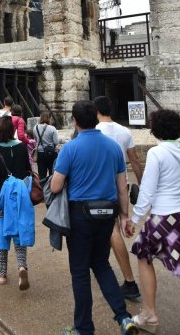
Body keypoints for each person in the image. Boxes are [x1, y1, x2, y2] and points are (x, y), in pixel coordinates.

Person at [51, 100, 137, 335]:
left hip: (81, 215)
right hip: (107, 214)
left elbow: (56, 186)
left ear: (75, 121)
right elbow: (122, 187)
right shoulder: (112, 147)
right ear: (96, 119)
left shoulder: (71, 148)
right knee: (101, 265)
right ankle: (123, 317)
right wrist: (125, 216)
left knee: (80, 272)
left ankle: (84, 328)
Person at [130, 109, 180, 333]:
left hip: (163, 215)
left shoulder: (156, 153)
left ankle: (150, 313)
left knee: (143, 255)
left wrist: (134, 218)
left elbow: (148, 191)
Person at [94, 95, 143, 300]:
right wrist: (142, 184)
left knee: (112, 230)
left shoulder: (94, 130)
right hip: (121, 182)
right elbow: (134, 160)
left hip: (100, 184)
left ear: (96, 110)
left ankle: (129, 280)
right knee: (114, 227)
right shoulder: (124, 131)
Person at [0, 115, 33, 290]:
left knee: (2, 234)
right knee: (19, 232)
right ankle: (22, 266)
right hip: (21, 196)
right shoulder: (22, 147)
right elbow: (27, 171)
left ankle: (2, 274)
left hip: (4, 197)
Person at [34, 110, 59, 180]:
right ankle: (51, 189)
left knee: (41, 174)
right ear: (49, 118)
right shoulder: (52, 128)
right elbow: (56, 142)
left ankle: (42, 189)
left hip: (40, 153)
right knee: (52, 173)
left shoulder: (35, 128)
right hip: (51, 153)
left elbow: (36, 140)